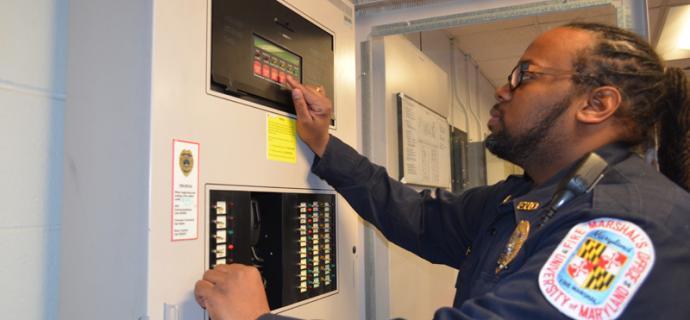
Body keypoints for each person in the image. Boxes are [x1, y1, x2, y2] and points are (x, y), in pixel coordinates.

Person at [194, 22, 690, 319]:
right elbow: (417, 216)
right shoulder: (529, 196)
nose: (503, 89)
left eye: (526, 76)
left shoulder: (625, 228)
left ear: (597, 104)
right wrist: (324, 144)